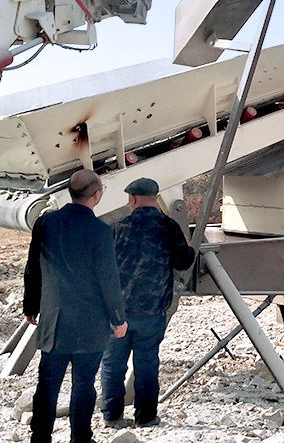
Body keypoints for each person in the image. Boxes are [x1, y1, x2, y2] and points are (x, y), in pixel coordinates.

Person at [23, 169, 128, 443]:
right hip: (89, 323)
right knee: (84, 386)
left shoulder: (46, 223)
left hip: (53, 320)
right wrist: (118, 318)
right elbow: (108, 280)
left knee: (46, 386)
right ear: (97, 195)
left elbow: (33, 266)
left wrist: (30, 305)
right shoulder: (100, 231)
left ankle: (40, 437)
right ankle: (80, 438)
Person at [101, 178, 195, 428]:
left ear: (132, 200)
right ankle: (146, 416)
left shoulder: (118, 227)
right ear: (155, 198)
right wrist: (187, 246)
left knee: (112, 364)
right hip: (152, 310)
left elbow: (102, 268)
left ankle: (112, 416)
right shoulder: (169, 227)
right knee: (147, 363)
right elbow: (184, 262)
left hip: (118, 312)